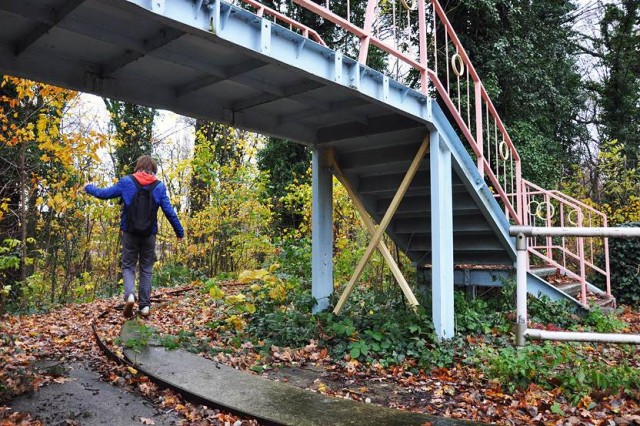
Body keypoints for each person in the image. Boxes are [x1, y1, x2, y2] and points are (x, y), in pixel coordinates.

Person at [83, 155, 184, 318]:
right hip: (149, 234)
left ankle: (129, 296)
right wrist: (179, 231)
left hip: (129, 233)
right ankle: (144, 306)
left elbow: (104, 194)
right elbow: (169, 211)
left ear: (138, 166)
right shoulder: (159, 187)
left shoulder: (127, 182)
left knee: (128, 266)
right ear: (153, 169)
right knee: (146, 269)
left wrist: (89, 187)